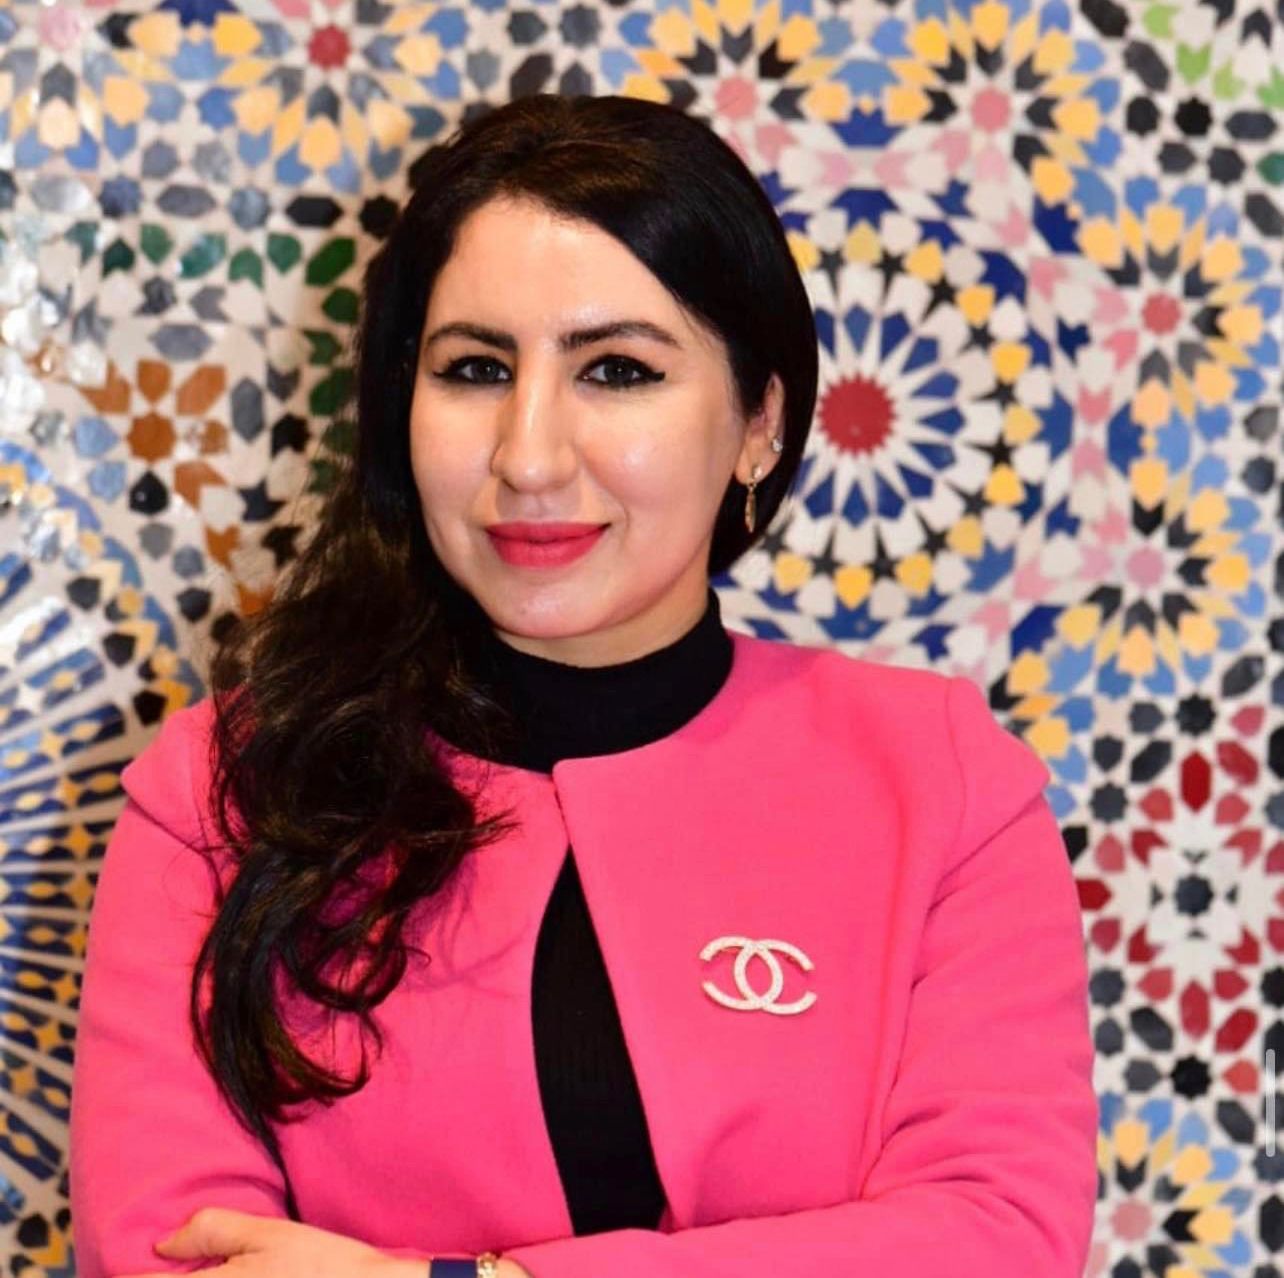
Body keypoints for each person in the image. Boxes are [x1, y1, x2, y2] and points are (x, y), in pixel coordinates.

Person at [68, 92, 1098, 1278]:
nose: (530, 456)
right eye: (474, 369)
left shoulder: (942, 784)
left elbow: (998, 1236)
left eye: (616, 369)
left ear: (759, 423)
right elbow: (172, 1255)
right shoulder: (222, 793)